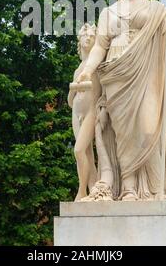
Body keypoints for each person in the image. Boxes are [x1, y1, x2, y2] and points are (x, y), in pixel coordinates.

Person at [76, 0, 166, 201]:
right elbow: (99, 47)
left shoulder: (156, 10)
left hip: (146, 74)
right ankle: (127, 186)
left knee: (147, 129)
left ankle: (150, 189)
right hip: (115, 74)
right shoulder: (108, 12)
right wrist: (87, 69)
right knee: (120, 134)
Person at [68, 23, 101, 201]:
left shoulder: (95, 64)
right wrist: (73, 90)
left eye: (91, 36)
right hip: (77, 114)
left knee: (78, 151)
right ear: (79, 41)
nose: (87, 38)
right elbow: (69, 101)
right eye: (84, 36)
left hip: (91, 111)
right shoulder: (78, 68)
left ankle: (81, 192)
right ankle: (92, 189)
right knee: (86, 153)